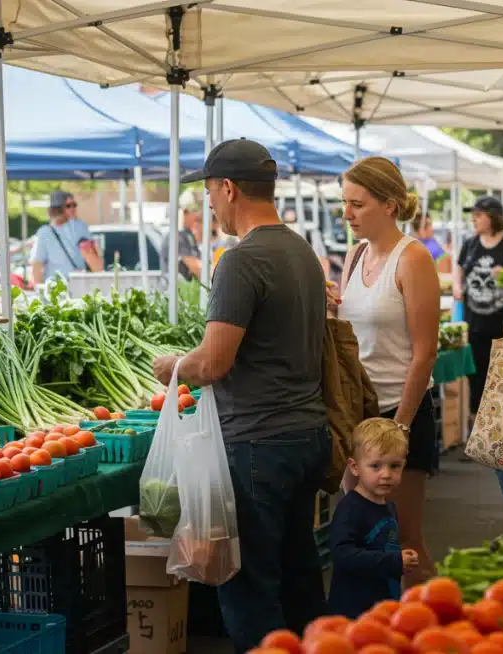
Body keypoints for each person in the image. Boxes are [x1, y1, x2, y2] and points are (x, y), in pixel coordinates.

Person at [151, 139, 330, 650]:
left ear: (228, 188)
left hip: (257, 445)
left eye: (208, 191)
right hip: (306, 437)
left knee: (250, 589)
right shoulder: (302, 251)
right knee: (299, 578)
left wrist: (174, 366)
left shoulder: (241, 260)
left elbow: (213, 362)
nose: (208, 204)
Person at [334, 156, 441, 585]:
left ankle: (442, 627)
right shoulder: (354, 255)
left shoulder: (412, 258)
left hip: (401, 410)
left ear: (390, 206)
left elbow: (425, 352)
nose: (347, 214)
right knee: (364, 533)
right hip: (356, 413)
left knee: (405, 538)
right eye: (345, 203)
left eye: (357, 204)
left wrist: (400, 427)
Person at [327, 419, 421, 618]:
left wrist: (402, 558)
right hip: (354, 611)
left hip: (384, 605)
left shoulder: (389, 506)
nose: (386, 474)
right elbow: (342, 554)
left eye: (395, 466)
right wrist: (394, 561)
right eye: (375, 466)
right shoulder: (350, 508)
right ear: (354, 467)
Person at [454, 195, 503, 416]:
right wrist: (458, 287)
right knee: (476, 378)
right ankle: (479, 426)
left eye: (478, 215)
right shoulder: (469, 244)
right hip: (474, 326)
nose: (473, 220)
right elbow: (459, 268)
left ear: (493, 217)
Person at [30, 190, 103, 283]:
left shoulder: (81, 227)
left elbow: (92, 255)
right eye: (69, 206)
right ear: (58, 208)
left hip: (79, 283)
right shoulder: (45, 232)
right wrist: (38, 288)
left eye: (74, 205)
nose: (73, 208)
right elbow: (37, 264)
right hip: (56, 287)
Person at [161, 190, 205, 282]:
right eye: (197, 217)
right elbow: (197, 268)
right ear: (185, 212)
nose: (199, 218)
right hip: (174, 293)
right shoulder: (177, 236)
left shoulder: (189, 235)